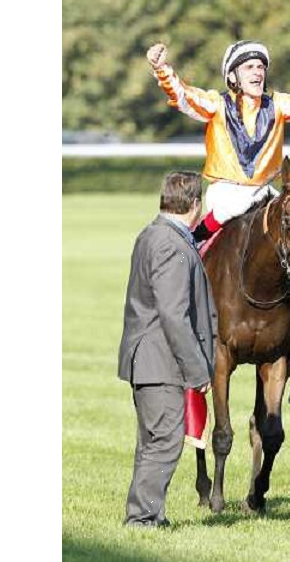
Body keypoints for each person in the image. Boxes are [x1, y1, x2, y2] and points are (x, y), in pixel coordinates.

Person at [146, 40, 290, 242]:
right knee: (232, 209)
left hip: (264, 192)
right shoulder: (216, 104)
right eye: (249, 67)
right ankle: (195, 242)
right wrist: (161, 68)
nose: (257, 72)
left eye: (260, 67)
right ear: (232, 76)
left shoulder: (278, 105)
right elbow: (183, 95)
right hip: (226, 193)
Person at [118, 171, 217, 527]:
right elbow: (174, 315)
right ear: (194, 204)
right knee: (165, 441)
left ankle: (146, 515)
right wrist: (197, 370)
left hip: (147, 358)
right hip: (159, 361)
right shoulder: (172, 244)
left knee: (152, 441)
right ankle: (143, 518)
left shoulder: (151, 234)